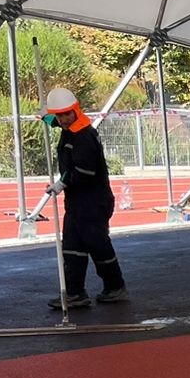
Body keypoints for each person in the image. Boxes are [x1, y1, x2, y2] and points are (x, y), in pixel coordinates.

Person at [41, 88, 127, 309]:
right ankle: (74, 292)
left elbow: (84, 171)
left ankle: (115, 286)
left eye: (66, 114)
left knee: (97, 245)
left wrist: (62, 183)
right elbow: (52, 120)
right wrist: (46, 116)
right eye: (59, 115)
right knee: (72, 247)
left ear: (76, 111)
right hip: (77, 202)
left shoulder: (84, 136)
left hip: (93, 202)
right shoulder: (69, 129)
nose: (63, 119)